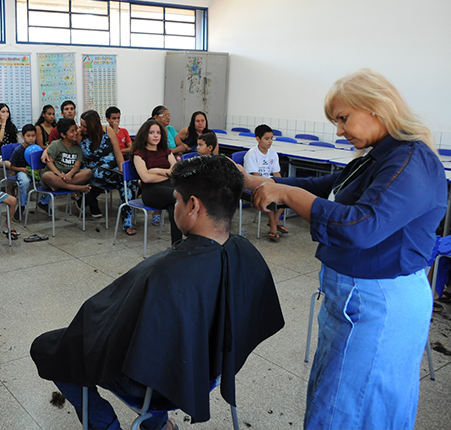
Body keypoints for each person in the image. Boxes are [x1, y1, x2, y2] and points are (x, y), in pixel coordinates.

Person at [245, 69, 446, 430]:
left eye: (342, 118)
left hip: (380, 303)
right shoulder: (375, 158)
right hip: (354, 298)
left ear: (376, 108)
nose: (338, 130)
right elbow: (327, 186)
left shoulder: (410, 160)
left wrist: (288, 194)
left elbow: (362, 225)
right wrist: (264, 182)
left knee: (352, 407)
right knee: (337, 397)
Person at [31, 155, 285, 430]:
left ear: (193, 206)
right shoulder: (246, 252)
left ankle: (105, 425)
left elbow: (105, 329)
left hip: (156, 387)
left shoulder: (164, 272)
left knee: (48, 347)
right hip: (207, 371)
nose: (174, 205)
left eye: (176, 200)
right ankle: (158, 426)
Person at [78, 110, 137, 234]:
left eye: (85, 126)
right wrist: (46, 151)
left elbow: (117, 153)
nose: (82, 128)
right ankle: (130, 188)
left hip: (113, 170)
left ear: (93, 125)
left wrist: (122, 168)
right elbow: (57, 144)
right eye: (81, 124)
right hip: (94, 173)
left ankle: (127, 223)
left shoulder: (107, 130)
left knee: (125, 184)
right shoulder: (80, 135)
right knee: (127, 182)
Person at [132, 119, 181, 245]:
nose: (155, 135)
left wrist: (156, 171)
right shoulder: (139, 154)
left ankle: (177, 245)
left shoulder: (166, 151)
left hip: (169, 189)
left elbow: (176, 171)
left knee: (174, 207)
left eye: (158, 133)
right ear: (145, 134)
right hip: (151, 192)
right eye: (151, 132)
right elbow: (146, 178)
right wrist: (168, 174)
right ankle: (181, 244)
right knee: (179, 196)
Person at [244, 124, 286, 240]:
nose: (270, 141)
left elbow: (276, 173)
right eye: (266, 139)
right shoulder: (251, 154)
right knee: (270, 196)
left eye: (271, 138)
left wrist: (282, 184)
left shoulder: (273, 153)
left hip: (269, 183)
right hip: (254, 184)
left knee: (287, 193)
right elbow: (254, 176)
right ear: (258, 139)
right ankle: (273, 225)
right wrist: (270, 184)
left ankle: (276, 219)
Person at [41, 118, 92, 194]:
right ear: (63, 135)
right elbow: (49, 162)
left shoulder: (77, 149)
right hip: (56, 175)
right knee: (46, 176)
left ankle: (60, 185)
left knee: (88, 172)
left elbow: (76, 165)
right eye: (72, 131)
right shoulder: (55, 144)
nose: (75, 133)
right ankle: (75, 187)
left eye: (75, 130)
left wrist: (69, 174)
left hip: (70, 176)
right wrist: (59, 174)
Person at [9, 124, 37, 221]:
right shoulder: (19, 149)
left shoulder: (36, 149)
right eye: (28, 136)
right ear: (22, 137)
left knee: (50, 179)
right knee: (25, 182)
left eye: (33, 136)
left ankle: (44, 202)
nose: (31, 138)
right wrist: (22, 169)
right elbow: (12, 166)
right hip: (22, 171)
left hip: (35, 171)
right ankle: (21, 206)